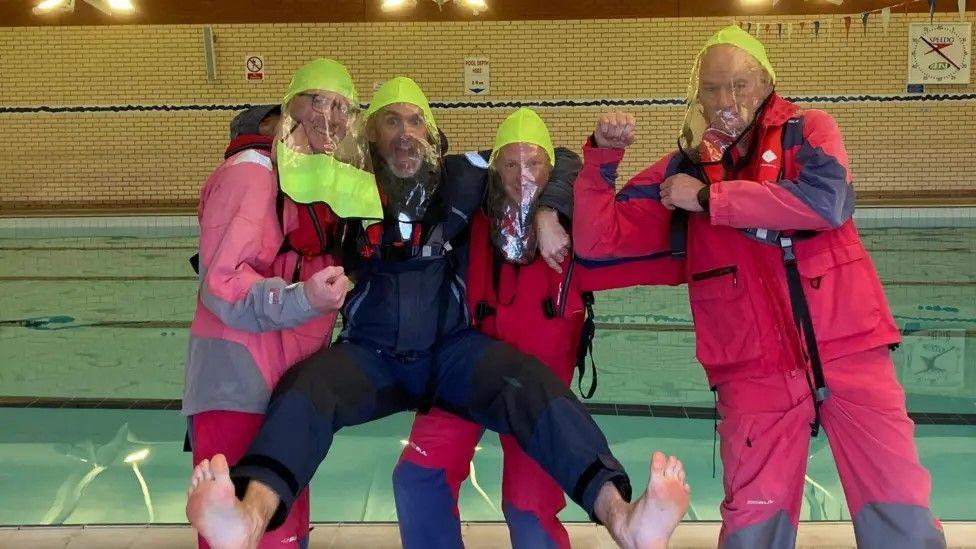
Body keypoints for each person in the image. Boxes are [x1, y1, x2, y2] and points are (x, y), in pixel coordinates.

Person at [187, 77, 690, 549]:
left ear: (429, 132)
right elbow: (276, 157)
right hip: (372, 358)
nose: (405, 134)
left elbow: (543, 157)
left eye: (415, 122)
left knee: (529, 384)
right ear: (370, 134)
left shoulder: (460, 175)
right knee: (306, 389)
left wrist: (548, 210)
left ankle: (623, 515)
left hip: (451, 354)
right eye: (391, 122)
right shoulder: (342, 184)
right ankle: (248, 517)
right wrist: (276, 126)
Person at [572, 25, 945, 548]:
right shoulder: (683, 168)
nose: (727, 100)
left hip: (848, 351)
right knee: (753, 533)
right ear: (697, 96)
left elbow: (825, 204)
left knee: (902, 519)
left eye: (740, 85)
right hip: (753, 373)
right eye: (713, 88)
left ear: (766, 83)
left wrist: (710, 200)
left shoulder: (807, 131)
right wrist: (600, 161)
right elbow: (598, 244)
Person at [393, 107, 686, 548]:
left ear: (551, 170)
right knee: (416, 478)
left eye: (533, 164)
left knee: (528, 510)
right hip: (469, 377)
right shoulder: (469, 225)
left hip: (538, 398)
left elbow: (629, 234)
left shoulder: (575, 237)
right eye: (510, 164)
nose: (522, 175)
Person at [183, 58, 381, 549]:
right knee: (249, 530)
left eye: (341, 108)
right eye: (316, 102)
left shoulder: (313, 181)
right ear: (286, 111)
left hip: (284, 378)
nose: (328, 116)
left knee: (282, 526)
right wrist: (302, 298)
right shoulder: (251, 175)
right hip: (239, 377)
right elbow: (223, 284)